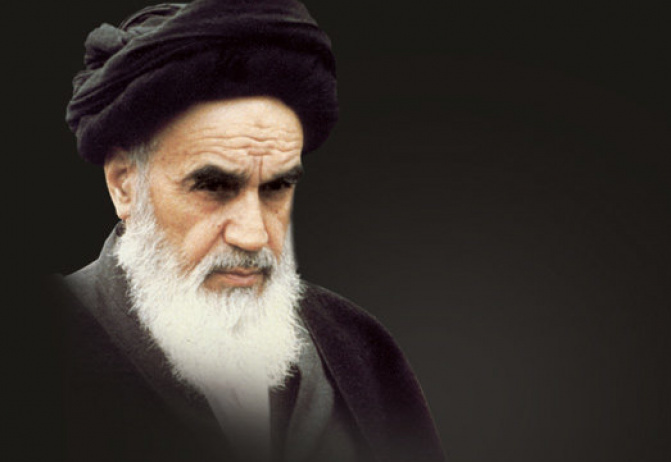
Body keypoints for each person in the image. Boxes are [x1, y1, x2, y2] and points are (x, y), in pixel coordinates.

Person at [50, 1, 444, 461]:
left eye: (276, 188)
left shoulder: (357, 347)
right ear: (124, 184)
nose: (253, 236)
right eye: (213, 187)